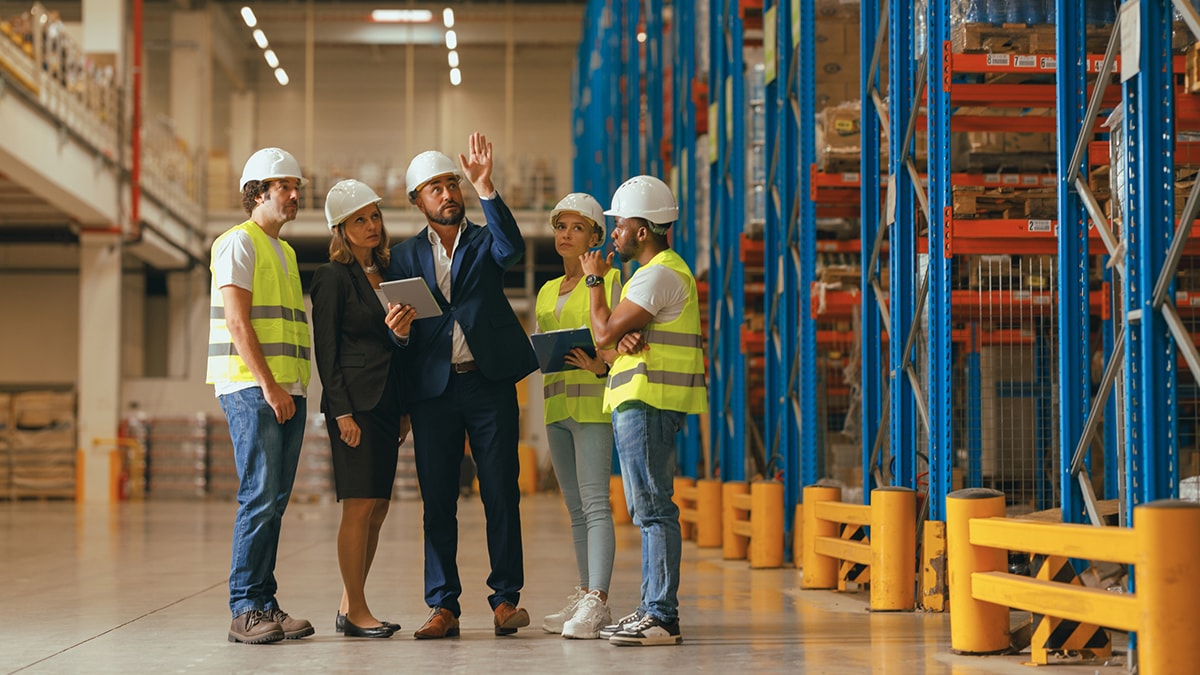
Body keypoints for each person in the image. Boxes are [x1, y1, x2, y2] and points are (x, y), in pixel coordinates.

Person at [383, 132, 539, 639]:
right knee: (438, 499)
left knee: (500, 492)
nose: (448, 194)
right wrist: (401, 335)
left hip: (488, 384)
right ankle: (443, 605)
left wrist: (486, 186)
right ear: (417, 202)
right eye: (435, 188)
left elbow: (512, 248)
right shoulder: (403, 258)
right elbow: (404, 334)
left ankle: (505, 600)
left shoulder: (484, 241)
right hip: (434, 393)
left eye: (452, 184)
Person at [579, 175, 708, 647]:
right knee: (646, 508)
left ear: (643, 229)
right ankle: (650, 608)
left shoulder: (658, 273)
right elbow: (615, 336)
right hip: (640, 400)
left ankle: (660, 615)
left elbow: (601, 333)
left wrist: (595, 281)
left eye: (620, 224)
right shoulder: (648, 277)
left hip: (650, 403)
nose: (613, 233)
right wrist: (624, 335)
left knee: (653, 508)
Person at [206, 147, 315, 644]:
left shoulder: (286, 252)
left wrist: (290, 387)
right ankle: (245, 607)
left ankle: (264, 602)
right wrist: (271, 386)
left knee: (274, 500)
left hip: (286, 389)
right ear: (258, 192)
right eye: (285, 187)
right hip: (254, 389)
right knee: (259, 496)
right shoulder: (238, 243)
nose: (295, 195)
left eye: (297, 187)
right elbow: (236, 321)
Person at [310, 179, 414, 639]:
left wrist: (405, 407)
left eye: (374, 216)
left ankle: (349, 603)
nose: (371, 226)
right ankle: (357, 612)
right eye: (359, 220)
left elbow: (395, 345)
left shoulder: (391, 272)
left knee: (378, 509)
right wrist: (340, 412)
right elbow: (326, 350)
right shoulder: (332, 277)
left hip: (388, 401)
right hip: (353, 405)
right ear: (341, 229)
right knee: (358, 506)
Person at [536, 193, 620, 639]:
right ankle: (585, 592)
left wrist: (602, 365)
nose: (565, 235)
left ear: (595, 236)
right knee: (574, 509)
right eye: (560, 227)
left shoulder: (610, 279)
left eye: (576, 228)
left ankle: (599, 602)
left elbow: (618, 335)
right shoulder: (548, 290)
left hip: (592, 403)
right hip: (556, 405)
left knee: (595, 503)